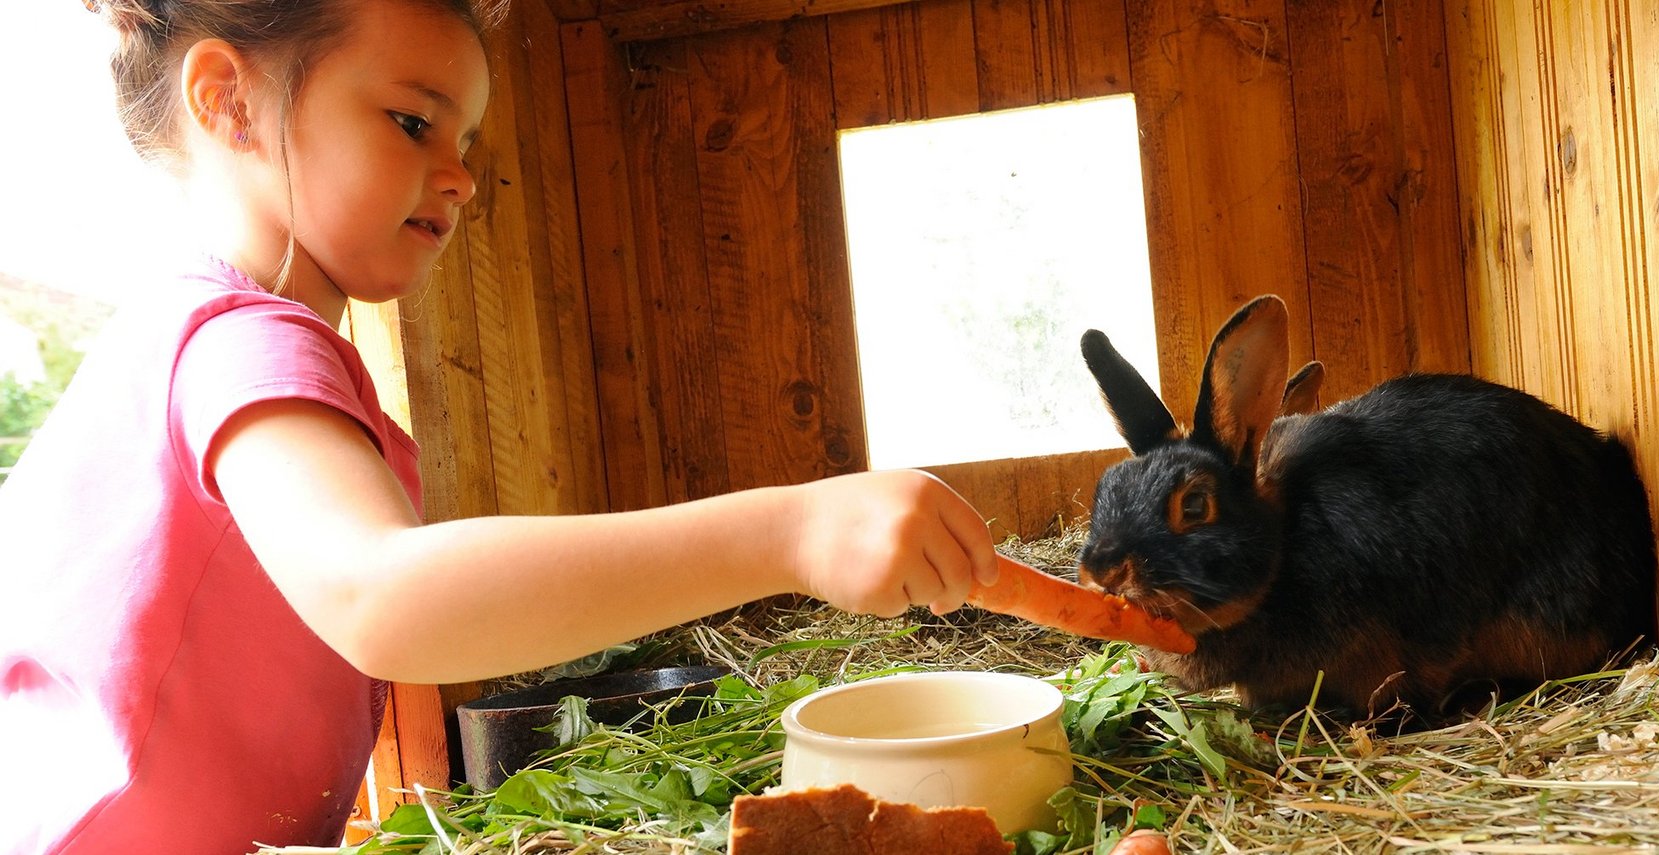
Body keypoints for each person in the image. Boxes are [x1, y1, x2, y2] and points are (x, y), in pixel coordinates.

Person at [0, 0, 1001, 850]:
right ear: (229, 101)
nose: (461, 176)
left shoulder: (218, 340)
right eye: (410, 122)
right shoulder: (236, 341)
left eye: (465, 142)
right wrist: (794, 534)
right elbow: (381, 597)